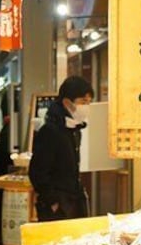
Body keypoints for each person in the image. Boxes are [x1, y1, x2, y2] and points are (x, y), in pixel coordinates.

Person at [28, 75, 94, 221]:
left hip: (73, 202)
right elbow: (37, 172)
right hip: (58, 207)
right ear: (67, 102)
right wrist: (53, 202)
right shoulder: (50, 131)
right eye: (83, 101)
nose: (87, 106)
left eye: (89, 102)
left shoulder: (75, 129)